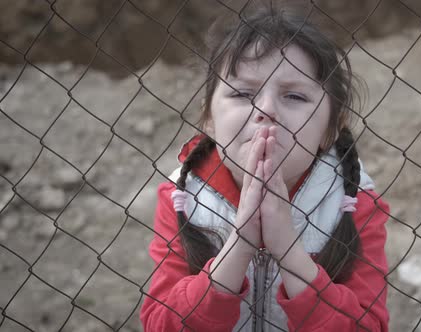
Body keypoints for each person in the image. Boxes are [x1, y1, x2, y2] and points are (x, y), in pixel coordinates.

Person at [140, 4, 390, 331]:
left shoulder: (356, 203)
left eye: (295, 96)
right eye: (243, 93)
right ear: (208, 120)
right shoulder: (182, 199)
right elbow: (160, 325)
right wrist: (240, 244)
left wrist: (287, 249)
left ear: (330, 130)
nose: (266, 110)